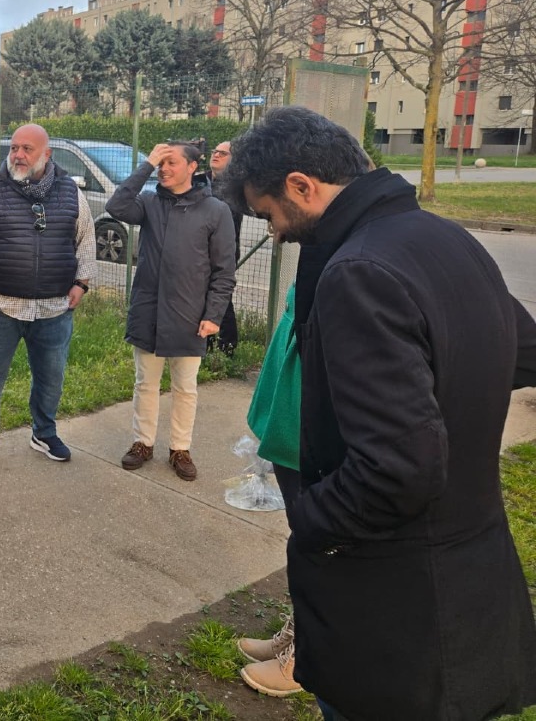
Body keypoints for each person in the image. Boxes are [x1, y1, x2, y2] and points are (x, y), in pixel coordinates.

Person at [221, 106, 536, 721]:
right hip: (470, 586)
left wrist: (310, 524)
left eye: (269, 216)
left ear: (302, 186)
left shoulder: (358, 272)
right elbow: (520, 350)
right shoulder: (444, 238)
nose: (276, 233)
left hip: (396, 615)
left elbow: (402, 469)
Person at [0, 123, 96, 467]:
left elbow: (86, 238)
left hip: (53, 307)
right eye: (14, 147)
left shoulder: (70, 192)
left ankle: (44, 433)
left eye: (27, 149)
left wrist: (82, 282)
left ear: (47, 155)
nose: (18, 154)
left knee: (51, 377)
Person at [104, 142, 236, 481]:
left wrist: (213, 315)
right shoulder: (148, 203)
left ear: (193, 166)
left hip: (191, 317)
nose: (164, 169)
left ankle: (180, 448)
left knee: (185, 388)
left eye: (170, 162)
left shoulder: (215, 210)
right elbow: (116, 205)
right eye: (160, 163)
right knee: (145, 383)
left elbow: (224, 272)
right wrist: (146, 164)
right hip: (148, 311)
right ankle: (142, 443)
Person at [235, 283, 303, 698]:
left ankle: (308, 655)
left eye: (266, 212)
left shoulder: (361, 257)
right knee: (303, 536)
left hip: (310, 434)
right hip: (289, 431)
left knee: (320, 546)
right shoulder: (327, 244)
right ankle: (299, 628)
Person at [207, 141, 242, 355]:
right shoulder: (203, 182)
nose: (216, 155)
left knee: (220, 298)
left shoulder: (233, 188)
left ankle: (227, 346)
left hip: (222, 252)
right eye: (214, 151)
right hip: (200, 251)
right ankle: (208, 345)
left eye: (223, 153)